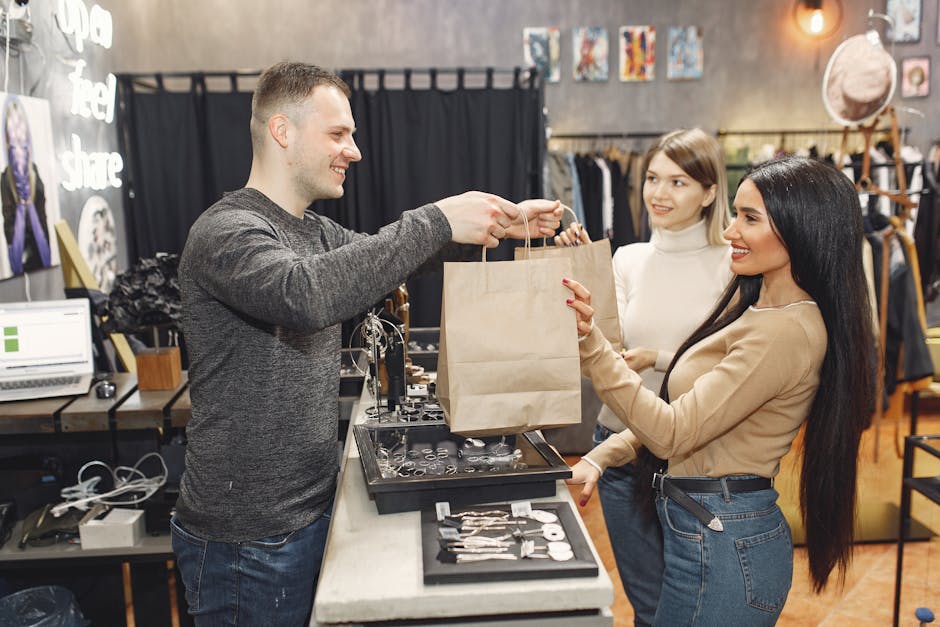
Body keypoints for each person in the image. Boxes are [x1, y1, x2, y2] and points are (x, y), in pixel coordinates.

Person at [172, 61, 561, 626]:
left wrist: (501, 221)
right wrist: (435, 219)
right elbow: (304, 294)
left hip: (308, 512)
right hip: (245, 542)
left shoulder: (314, 230)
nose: (353, 151)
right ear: (282, 131)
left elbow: (392, 258)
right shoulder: (226, 233)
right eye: (338, 134)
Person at [563, 156, 874, 625]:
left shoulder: (787, 331)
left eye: (749, 218)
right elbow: (692, 416)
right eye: (736, 214)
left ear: (802, 229)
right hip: (705, 528)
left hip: (724, 541)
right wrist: (602, 457)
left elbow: (672, 432)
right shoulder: (756, 306)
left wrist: (592, 346)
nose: (730, 231)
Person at [554, 128, 731, 625]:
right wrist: (584, 268)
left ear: (710, 192)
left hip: (691, 451)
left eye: (678, 182)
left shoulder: (730, 266)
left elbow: (729, 366)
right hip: (618, 443)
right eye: (653, 178)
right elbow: (602, 352)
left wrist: (658, 357)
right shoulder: (628, 258)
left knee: (687, 603)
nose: (659, 193)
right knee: (646, 603)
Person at [1, 95, 52, 276]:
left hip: (40, 250)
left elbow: (43, 214)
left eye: (20, 126)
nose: (18, 133)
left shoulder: (34, 172)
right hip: (21, 252)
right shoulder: (6, 178)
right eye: (13, 128)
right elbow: (8, 219)